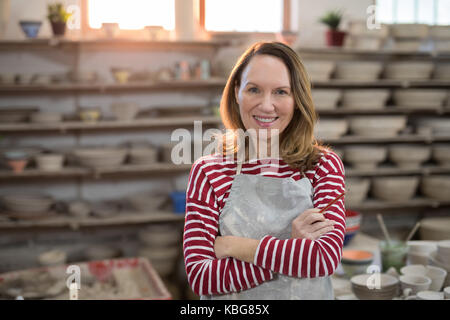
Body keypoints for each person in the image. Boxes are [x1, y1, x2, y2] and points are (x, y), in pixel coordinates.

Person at [183, 41, 345, 300]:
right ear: (237, 92)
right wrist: (291, 251)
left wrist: (237, 247)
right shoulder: (208, 172)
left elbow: (322, 259)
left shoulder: (323, 167)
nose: (266, 105)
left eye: (281, 92)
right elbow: (202, 278)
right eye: (254, 89)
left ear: (296, 100)